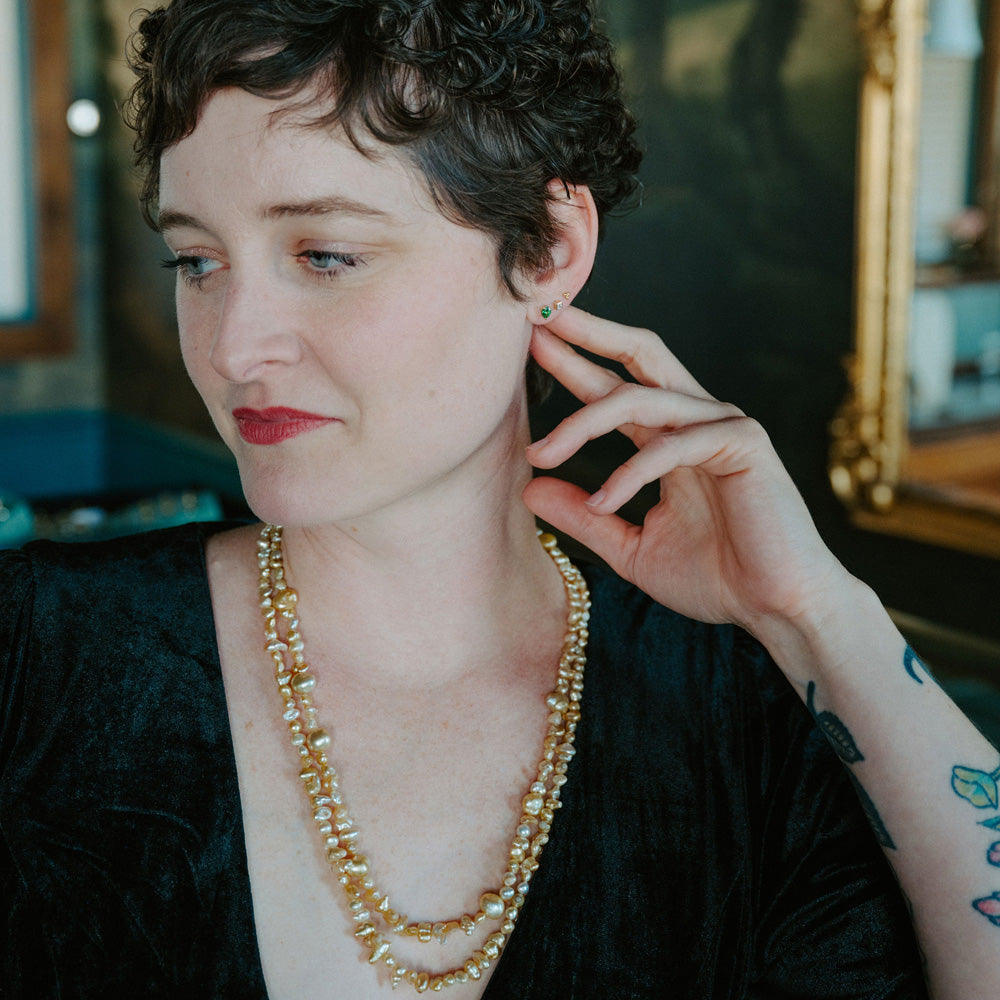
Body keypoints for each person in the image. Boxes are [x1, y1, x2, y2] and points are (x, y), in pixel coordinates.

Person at [1, 1, 997, 996]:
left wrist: (820, 615)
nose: (233, 347)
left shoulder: (753, 728)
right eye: (197, 262)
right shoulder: (32, 654)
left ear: (546, 250)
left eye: (325, 255)